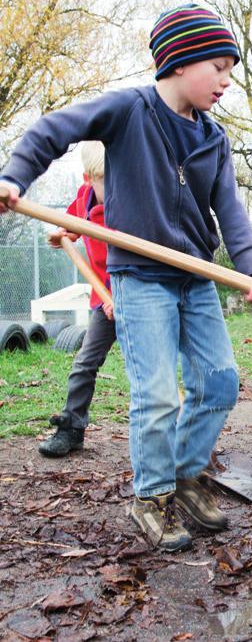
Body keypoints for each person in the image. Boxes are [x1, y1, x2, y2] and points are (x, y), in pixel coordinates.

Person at [0, 4, 252, 552]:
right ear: (179, 61)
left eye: (231, 70)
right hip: (139, 278)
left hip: (195, 277)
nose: (226, 80)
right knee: (156, 396)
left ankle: (185, 474)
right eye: (218, 66)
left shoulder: (214, 139)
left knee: (219, 382)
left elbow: (232, 211)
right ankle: (150, 496)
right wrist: (14, 177)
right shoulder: (130, 111)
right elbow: (54, 129)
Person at [38, 141, 116, 458]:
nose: (115, 189)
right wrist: (61, 235)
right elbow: (68, 228)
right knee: (85, 363)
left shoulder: (132, 205)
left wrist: (122, 299)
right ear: (88, 178)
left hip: (140, 297)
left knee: (151, 369)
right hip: (103, 299)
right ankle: (71, 428)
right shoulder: (84, 201)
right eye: (105, 181)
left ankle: (170, 433)